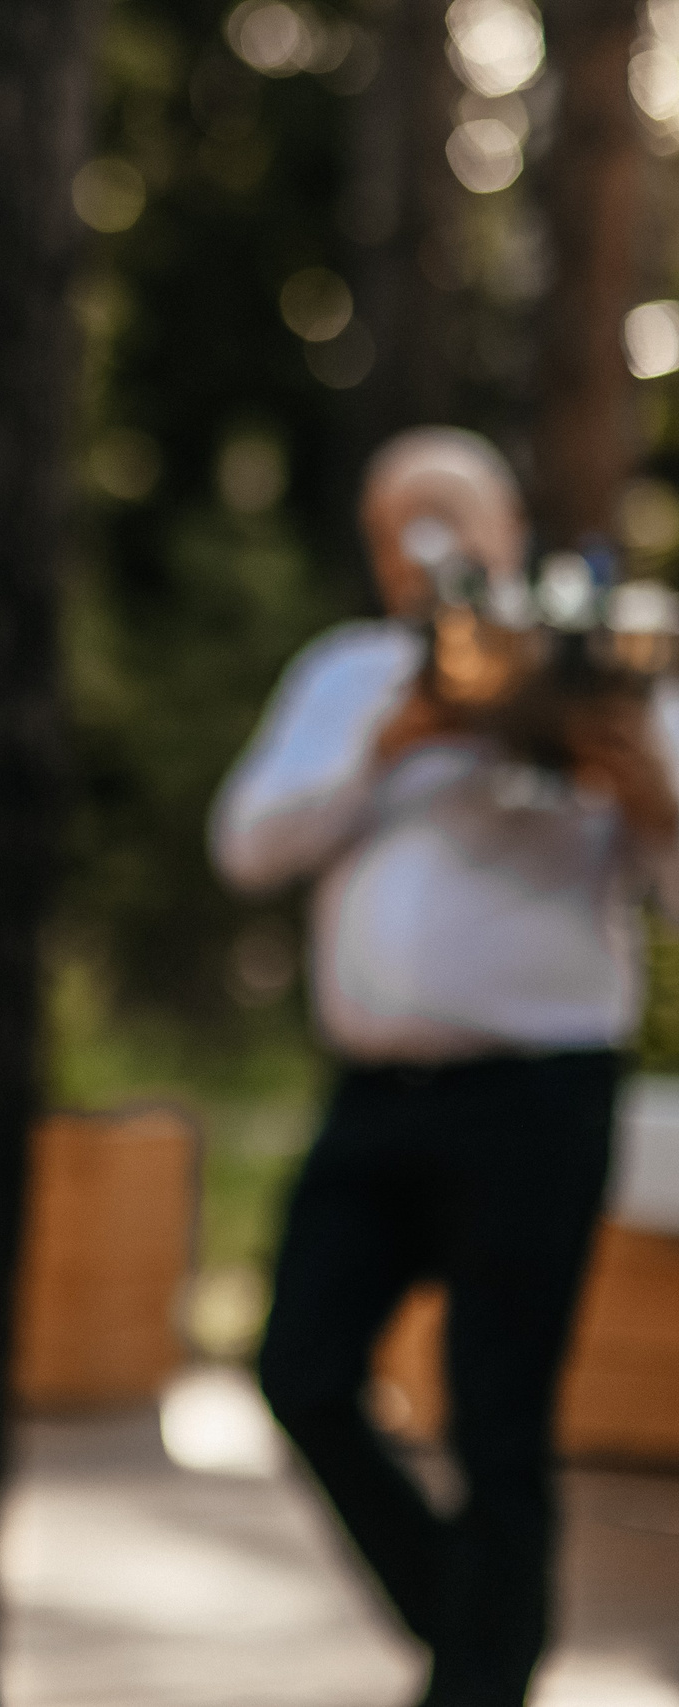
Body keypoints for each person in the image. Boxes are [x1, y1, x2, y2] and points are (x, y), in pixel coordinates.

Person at [211, 427, 679, 1707]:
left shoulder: (606, 665)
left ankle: (475, 1674)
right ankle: (477, 1642)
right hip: (373, 1100)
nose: (423, 546)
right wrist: (392, 740)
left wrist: (647, 791)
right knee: (299, 1369)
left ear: (507, 532)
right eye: (395, 525)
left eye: (447, 518)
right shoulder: (347, 675)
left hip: (539, 1097)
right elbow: (247, 844)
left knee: (497, 1424)